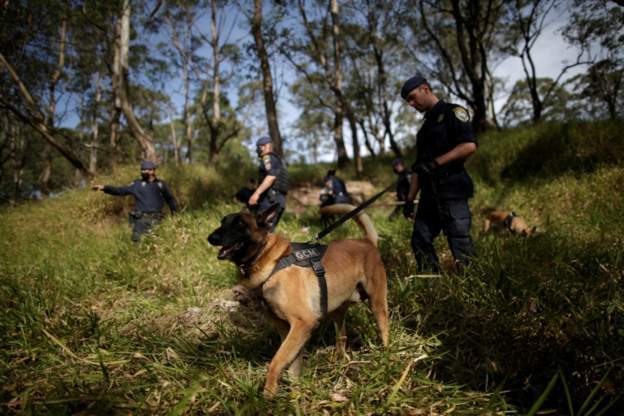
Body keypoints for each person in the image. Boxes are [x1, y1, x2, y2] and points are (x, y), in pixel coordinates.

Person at [400, 74, 478, 271]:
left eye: (412, 97)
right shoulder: (423, 130)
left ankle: (471, 283)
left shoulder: (454, 112)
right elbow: (418, 168)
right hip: (429, 196)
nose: (411, 103)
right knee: (419, 240)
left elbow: (468, 145)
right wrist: (409, 199)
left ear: (425, 89)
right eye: (408, 100)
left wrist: (436, 163)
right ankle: (432, 280)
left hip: (452, 190)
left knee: (460, 242)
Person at [92, 160, 177, 242]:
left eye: (145, 170)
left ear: (152, 170)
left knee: (157, 244)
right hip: (141, 222)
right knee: (137, 243)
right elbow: (120, 191)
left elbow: (171, 200)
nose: (143, 172)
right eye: (142, 170)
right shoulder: (136, 184)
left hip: (157, 221)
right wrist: (105, 188)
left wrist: (175, 216)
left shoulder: (161, 184)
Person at [248, 136, 288, 231]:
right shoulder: (279, 160)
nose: (257, 150)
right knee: (268, 231)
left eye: (258, 147)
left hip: (270, 199)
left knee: (260, 231)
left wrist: (256, 194)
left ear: (264, 146)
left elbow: (271, 177)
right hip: (279, 200)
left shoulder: (268, 157)